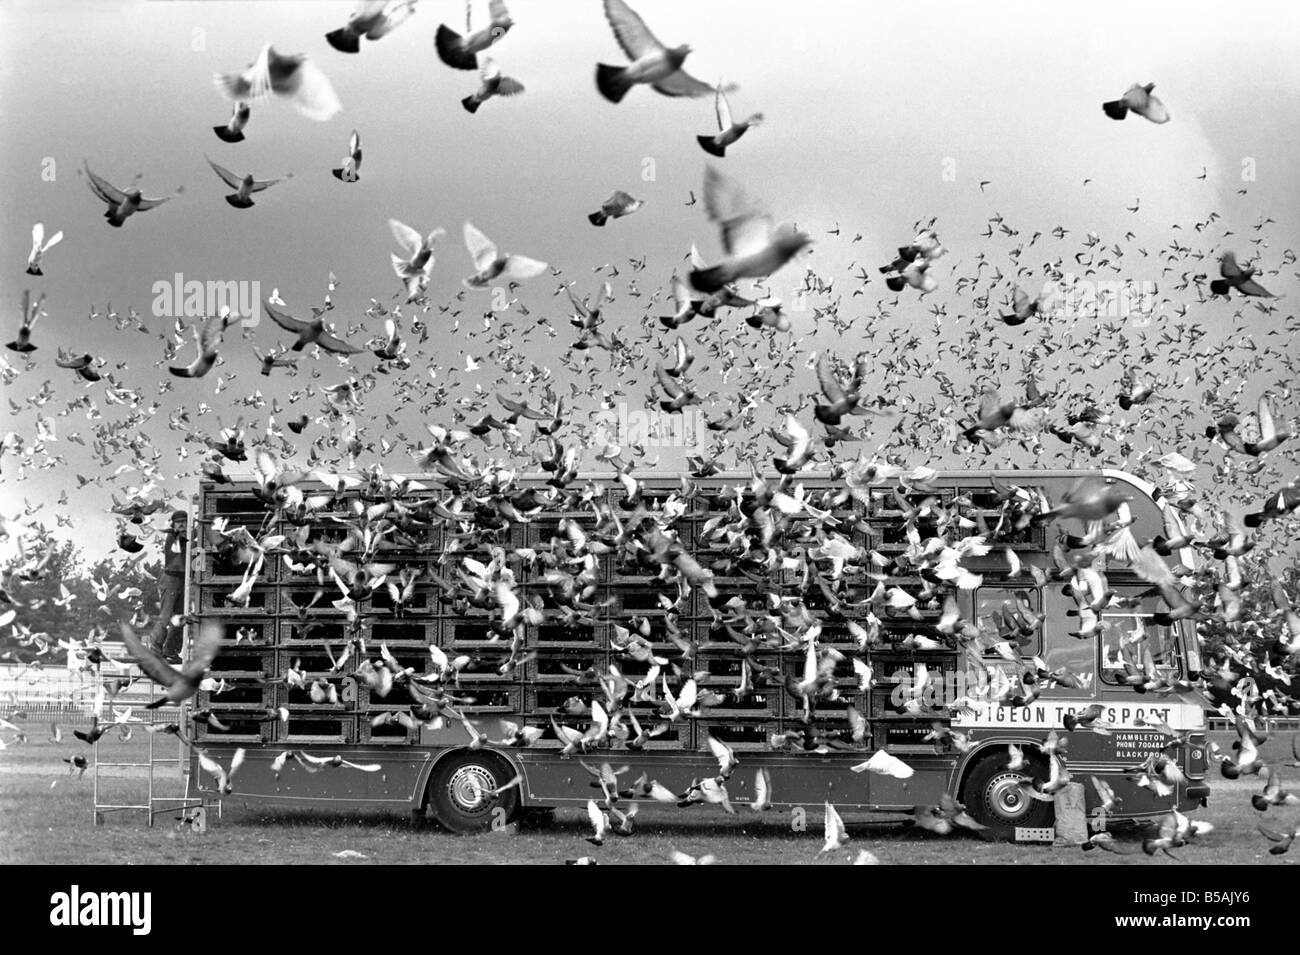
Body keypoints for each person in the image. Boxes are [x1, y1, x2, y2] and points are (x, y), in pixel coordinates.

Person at [146, 510, 188, 663]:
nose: (182, 525)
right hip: (171, 578)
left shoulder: (185, 537)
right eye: (179, 522)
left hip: (182, 579)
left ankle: (170, 651)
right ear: (173, 524)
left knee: (179, 618)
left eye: (185, 521)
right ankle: (155, 650)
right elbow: (183, 538)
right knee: (165, 616)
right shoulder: (174, 536)